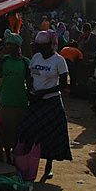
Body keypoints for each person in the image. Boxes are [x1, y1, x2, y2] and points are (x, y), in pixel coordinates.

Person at [16, 30, 72, 181]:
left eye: (43, 46)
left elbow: (64, 84)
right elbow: (30, 77)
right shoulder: (36, 58)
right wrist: (30, 90)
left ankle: (49, 166)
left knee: (51, 134)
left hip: (51, 101)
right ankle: (27, 162)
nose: (40, 49)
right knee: (26, 129)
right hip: (36, 100)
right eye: (38, 46)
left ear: (51, 45)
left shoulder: (59, 61)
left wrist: (44, 92)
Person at [0, 29, 30, 163]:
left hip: (20, 102)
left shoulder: (25, 62)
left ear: (18, 47)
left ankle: (16, 156)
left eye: (11, 45)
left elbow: (30, 84)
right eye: (7, 44)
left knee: (17, 132)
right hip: (5, 101)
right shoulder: (4, 60)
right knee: (5, 132)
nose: (8, 47)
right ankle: (8, 158)